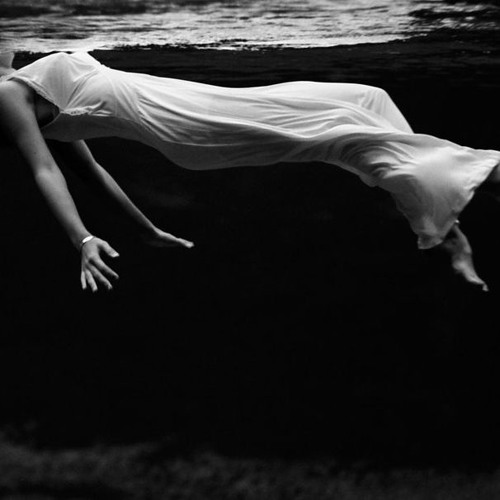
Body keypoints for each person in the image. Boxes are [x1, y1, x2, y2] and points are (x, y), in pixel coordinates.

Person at [0, 51, 498, 293]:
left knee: (366, 100)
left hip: (195, 104)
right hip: (188, 126)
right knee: (344, 135)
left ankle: (441, 216)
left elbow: (92, 171)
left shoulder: (18, 80)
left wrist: (146, 229)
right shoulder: (8, 96)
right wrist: (83, 239)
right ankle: (455, 209)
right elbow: (48, 171)